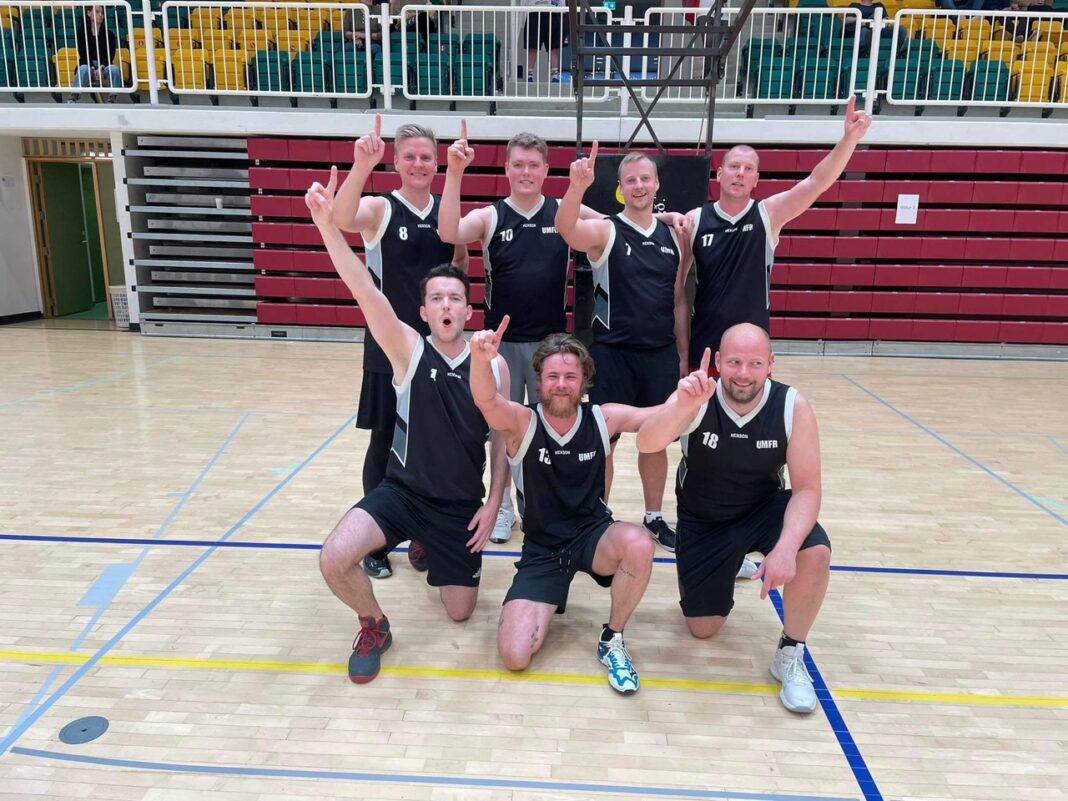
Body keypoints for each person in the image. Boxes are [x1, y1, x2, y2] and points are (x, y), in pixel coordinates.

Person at [307, 166, 508, 684]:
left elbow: (503, 443)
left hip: (459, 505)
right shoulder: (407, 349)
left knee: (460, 612)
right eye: (436, 298)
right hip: (403, 494)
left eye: (455, 298)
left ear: (468, 310)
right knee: (334, 559)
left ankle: (431, 545)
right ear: (423, 311)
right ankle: (374, 624)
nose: (446, 305)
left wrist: (493, 503)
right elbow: (362, 287)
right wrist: (328, 226)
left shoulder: (493, 363)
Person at [635, 324, 831, 714]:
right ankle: (731, 561)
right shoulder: (697, 397)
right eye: (735, 362)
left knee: (815, 552)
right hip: (704, 518)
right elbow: (646, 442)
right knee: (703, 628)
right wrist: (680, 406)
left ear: (770, 364)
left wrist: (786, 548)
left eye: (755, 363)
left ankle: (791, 653)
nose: (743, 373)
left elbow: (807, 489)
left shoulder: (793, 406)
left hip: (764, 507)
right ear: (719, 362)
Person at [438, 125, 608, 543]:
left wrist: (667, 218)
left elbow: (616, 227)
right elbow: (448, 231)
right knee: (502, 429)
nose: (526, 172)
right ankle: (501, 508)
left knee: (548, 427)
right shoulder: (491, 216)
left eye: (534, 165)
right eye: (518, 165)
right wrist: (454, 172)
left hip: (552, 347)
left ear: (546, 170)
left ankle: (537, 504)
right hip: (503, 346)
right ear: (507, 169)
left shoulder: (564, 211)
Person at [470, 325, 657, 694]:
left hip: (592, 537)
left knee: (639, 544)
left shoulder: (603, 418)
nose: (561, 384)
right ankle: (551, 593)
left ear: (584, 381)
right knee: (514, 656)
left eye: (570, 376)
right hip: (543, 549)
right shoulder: (522, 422)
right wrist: (479, 360)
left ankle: (613, 638)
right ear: (539, 379)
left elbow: (657, 416)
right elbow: (486, 400)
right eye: (552, 375)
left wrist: (691, 397)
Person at [331, 116, 468, 580]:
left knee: (433, 445)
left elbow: (460, 259)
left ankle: (425, 534)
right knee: (385, 441)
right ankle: (377, 541)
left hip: (435, 351)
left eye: (426, 156)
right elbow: (342, 218)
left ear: (437, 162)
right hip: (388, 348)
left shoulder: (446, 210)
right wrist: (360, 164)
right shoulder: (381, 208)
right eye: (409, 156)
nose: (418, 163)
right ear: (395, 161)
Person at [554, 143, 689, 554]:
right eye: (631, 180)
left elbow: (679, 300)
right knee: (604, 442)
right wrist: (577, 187)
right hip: (612, 354)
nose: (639, 185)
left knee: (657, 441)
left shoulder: (675, 237)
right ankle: (598, 515)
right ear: (620, 188)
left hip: (660, 354)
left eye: (645, 178)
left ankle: (654, 516)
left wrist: (683, 355)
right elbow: (566, 228)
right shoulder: (606, 231)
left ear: (657, 183)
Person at [684, 96, 872, 376]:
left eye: (748, 169)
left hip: (753, 354)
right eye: (734, 167)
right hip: (706, 348)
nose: (740, 174)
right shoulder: (694, 220)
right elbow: (676, 292)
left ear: (756, 180)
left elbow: (816, 182)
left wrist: (849, 140)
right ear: (720, 173)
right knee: (700, 407)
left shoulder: (768, 214)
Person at [67, 5, 124, 104]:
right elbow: (83, 54)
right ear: (89, 13)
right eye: (97, 12)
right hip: (88, 64)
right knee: (83, 68)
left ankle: (112, 96)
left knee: (114, 69)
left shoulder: (110, 35)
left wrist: (102, 66)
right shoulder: (82, 33)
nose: (100, 15)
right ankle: (74, 96)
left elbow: (110, 54)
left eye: (102, 13)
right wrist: (93, 67)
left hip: (104, 66)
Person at [519, 0, 565, 83]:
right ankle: (529, 76)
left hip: (553, 10)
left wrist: (562, 10)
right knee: (532, 47)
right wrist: (524, 17)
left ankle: (555, 76)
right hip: (534, 10)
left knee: (553, 47)